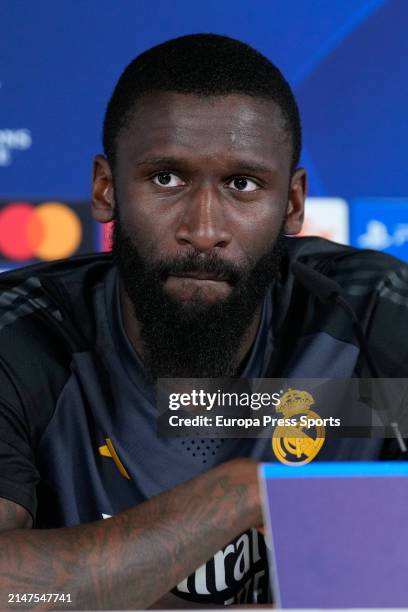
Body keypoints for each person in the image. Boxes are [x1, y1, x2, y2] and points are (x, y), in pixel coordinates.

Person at [0, 33, 407, 609]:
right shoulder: (19, 332)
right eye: (166, 178)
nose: (203, 227)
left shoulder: (373, 312)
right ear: (106, 189)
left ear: (292, 204)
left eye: (242, 184)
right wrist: (241, 493)